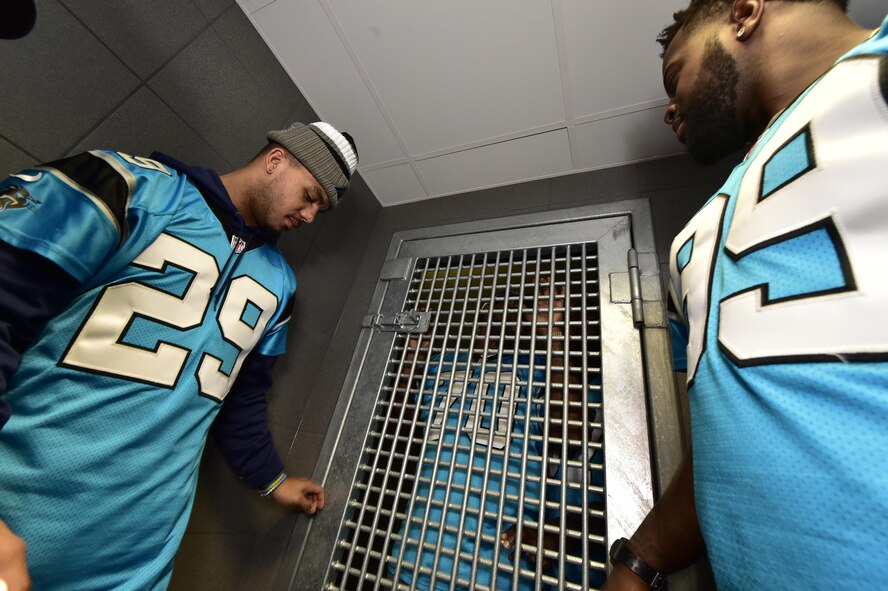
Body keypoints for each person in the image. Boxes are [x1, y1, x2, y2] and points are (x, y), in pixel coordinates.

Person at [0, 121, 359, 590]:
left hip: (140, 558)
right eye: (310, 196)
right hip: (20, 517)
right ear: (276, 161)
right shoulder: (129, 186)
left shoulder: (281, 286)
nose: (310, 216)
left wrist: (273, 481)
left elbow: (239, 399)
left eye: (322, 210)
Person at [603, 1, 888, 589]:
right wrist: (642, 558)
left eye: (674, 73)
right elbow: (735, 420)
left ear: (745, 12)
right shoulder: (702, 229)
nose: (668, 108)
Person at [389, 278, 606, 590]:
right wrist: (412, 362)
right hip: (416, 553)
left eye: (513, 308)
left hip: (494, 568)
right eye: (490, 306)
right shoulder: (442, 362)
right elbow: (399, 430)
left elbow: (571, 431)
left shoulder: (539, 365)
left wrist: (552, 337)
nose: (498, 312)